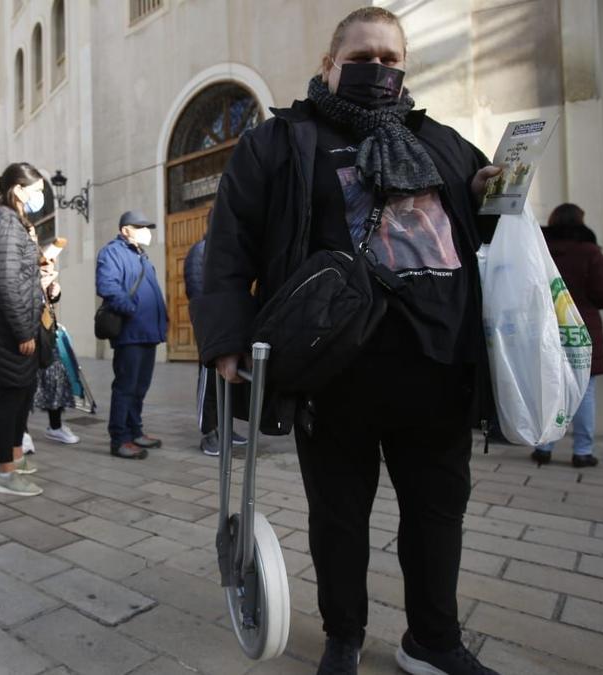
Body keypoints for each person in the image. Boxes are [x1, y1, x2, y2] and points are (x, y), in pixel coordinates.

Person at [192, 8, 503, 674]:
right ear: (331, 63)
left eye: (393, 59)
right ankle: (344, 636)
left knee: (437, 513)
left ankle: (434, 641)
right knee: (338, 518)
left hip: (439, 367)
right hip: (335, 372)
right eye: (365, 56)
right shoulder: (279, 143)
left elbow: (488, 242)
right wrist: (226, 341)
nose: (380, 68)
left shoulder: (445, 145)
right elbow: (227, 247)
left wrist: (494, 196)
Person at [0, 162, 46, 496]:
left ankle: (16, 459)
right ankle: (5, 474)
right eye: (37, 191)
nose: (40, 197)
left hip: (18, 324)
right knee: (9, 398)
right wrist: (22, 332)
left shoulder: (15, 224)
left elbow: (21, 277)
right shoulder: (6, 224)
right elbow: (5, 283)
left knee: (22, 395)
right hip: (7, 330)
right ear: (18, 190)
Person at [531, 204, 603, 468]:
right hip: (581, 328)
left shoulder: (539, 250)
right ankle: (582, 451)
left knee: (553, 387)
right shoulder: (590, 253)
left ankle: (544, 446)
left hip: (546, 327)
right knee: (584, 391)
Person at [95, 210, 168, 460]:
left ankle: (135, 431)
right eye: (141, 227)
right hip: (131, 332)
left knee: (139, 387)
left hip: (147, 333)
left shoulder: (142, 257)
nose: (147, 231)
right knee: (126, 386)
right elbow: (107, 287)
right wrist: (132, 310)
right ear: (126, 230)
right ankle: (119, 438)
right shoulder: (112, 252)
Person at [184, 237, 246, 456]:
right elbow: (196, 289)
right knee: (208, 380)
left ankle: (225, 429)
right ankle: (208, 432)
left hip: (229, 327)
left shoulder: (227, 250)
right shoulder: (200, 251)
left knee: (227, 381)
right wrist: (211, 322)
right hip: (211, 326)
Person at [36, 238, 81, 446]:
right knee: (25, 386)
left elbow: (48, 301)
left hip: (46, 335)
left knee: (55, 378)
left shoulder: (46, 270)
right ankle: (20, 434)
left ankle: (55, 426)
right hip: (25, 334)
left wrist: (54, 292)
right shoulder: (20, 268)